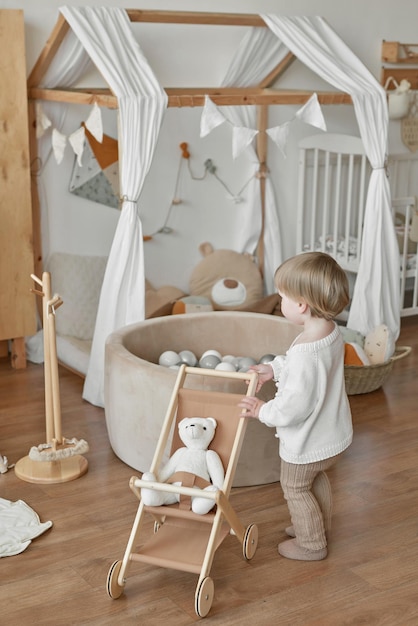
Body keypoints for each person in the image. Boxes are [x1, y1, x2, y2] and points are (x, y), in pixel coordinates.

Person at [238, 251, 353, 561]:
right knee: (314, 481)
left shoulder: (306, 352)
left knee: (295, 488)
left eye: (282, 297)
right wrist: (273, 369)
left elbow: (293, 407)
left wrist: (262, 410)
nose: (280, 302)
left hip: (309, 442)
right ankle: (315, 525)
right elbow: (300, 370)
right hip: (331, 436)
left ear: (301, 305)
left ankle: (311, 543)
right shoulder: (328, 331)